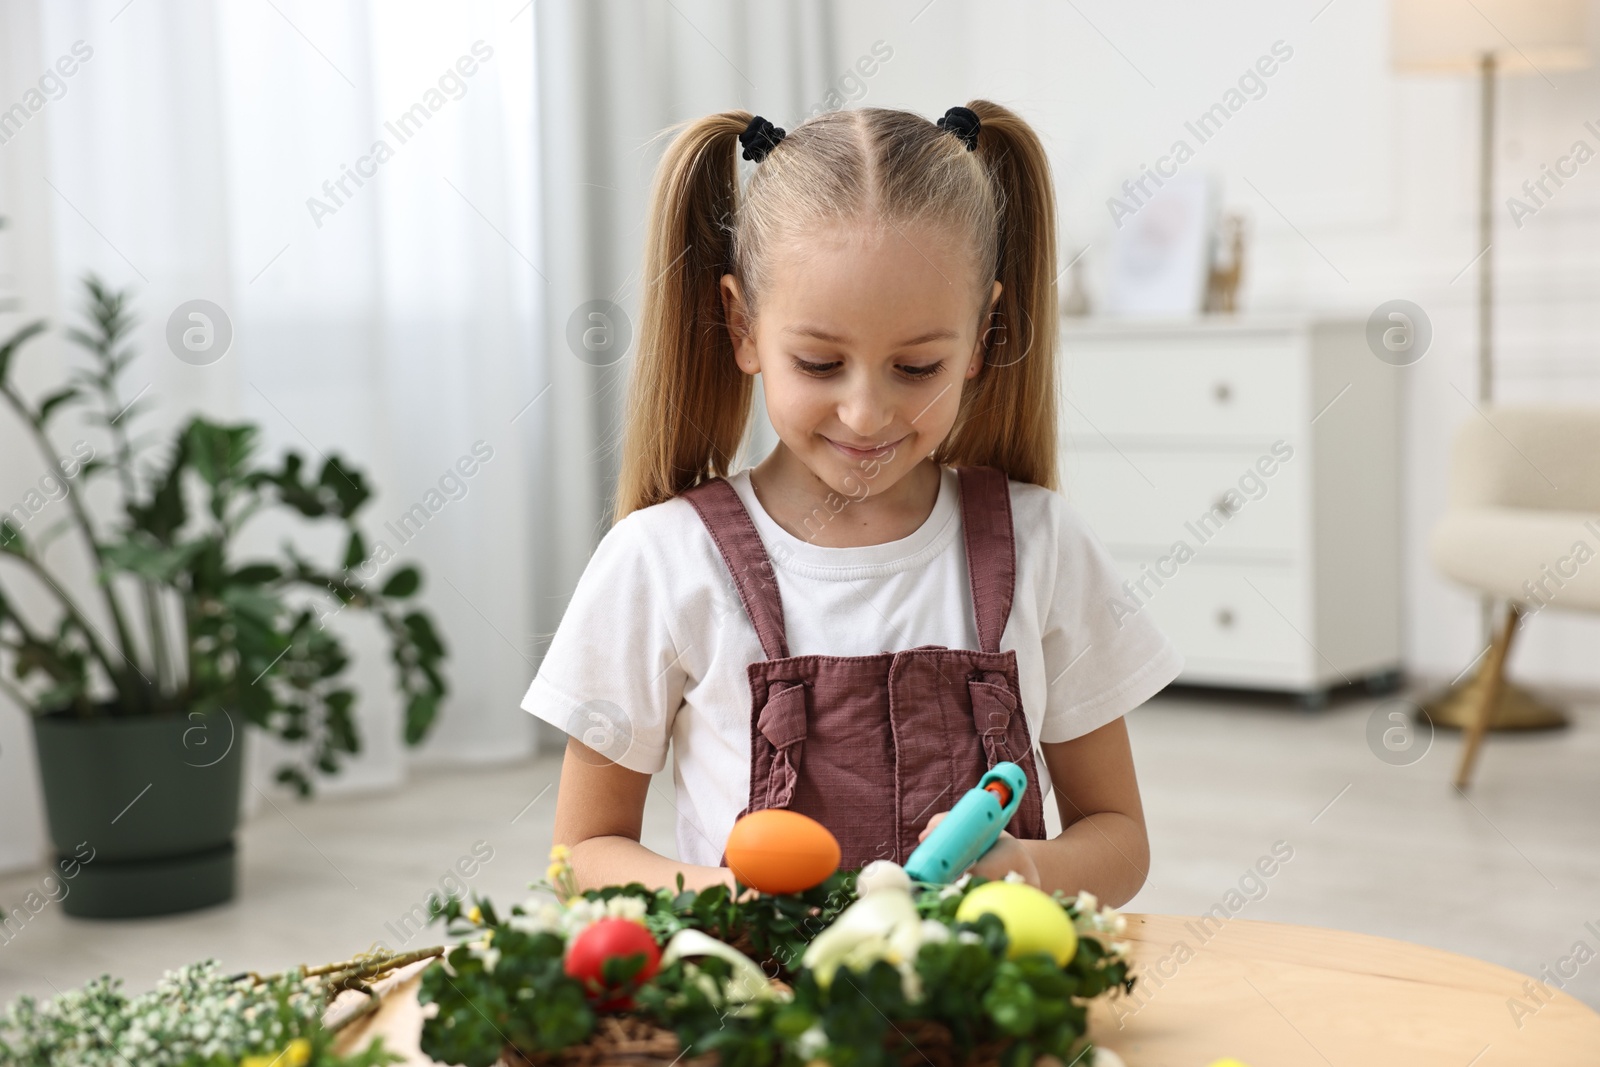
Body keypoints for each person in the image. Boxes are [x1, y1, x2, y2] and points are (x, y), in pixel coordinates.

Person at [522, 101, 1183, 908]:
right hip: (760, 1017)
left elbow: (1119, 836)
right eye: (820, 361)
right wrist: (729, 896)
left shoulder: (1041, 541)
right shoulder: (661, 558)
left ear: (981, 338)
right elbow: (583, 853)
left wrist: (1026, 870)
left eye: (915, 367)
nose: (866, 414)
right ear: (743, 326)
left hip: (983, 1022)